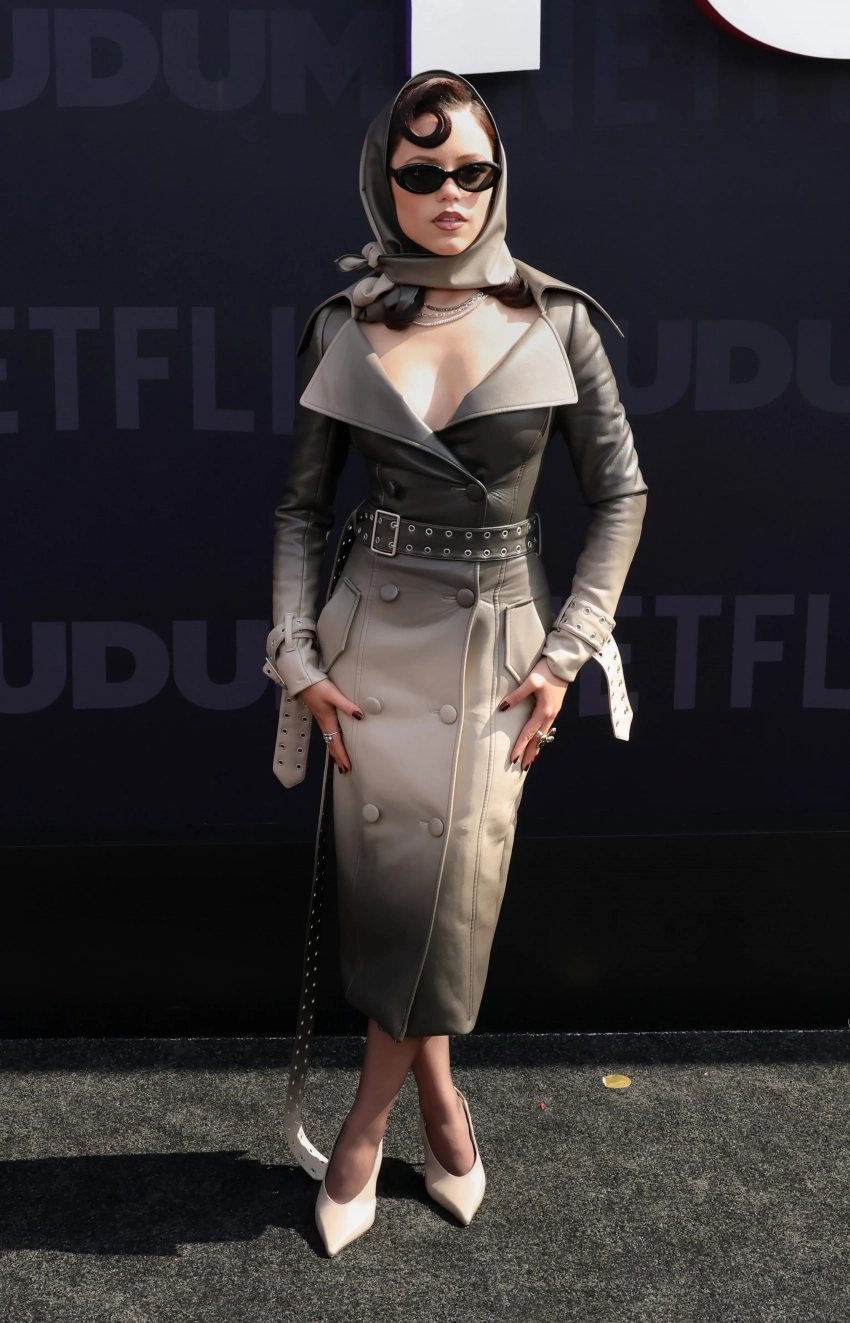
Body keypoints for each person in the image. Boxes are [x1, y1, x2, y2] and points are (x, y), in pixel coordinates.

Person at [268, 69, 647, 1255]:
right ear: (383, 179)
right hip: (369, 648)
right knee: (398, 892)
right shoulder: (342, 323)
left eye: (472, 170)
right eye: (421, 171)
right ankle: (441, 1106)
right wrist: (296, 657)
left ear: (499, 178)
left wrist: (568, 653)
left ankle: (368, 1122)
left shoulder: (557, 320)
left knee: (453, 890)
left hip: (499, 652)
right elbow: (299, 511)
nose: (450, 192)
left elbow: (622, 496)